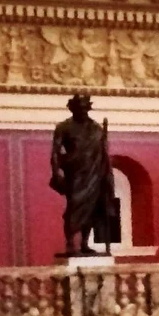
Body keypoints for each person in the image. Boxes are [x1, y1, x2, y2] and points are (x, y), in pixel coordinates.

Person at [49, 92, 120, 259]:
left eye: (84, 107)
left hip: (94, 173)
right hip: (75, 173)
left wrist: (106, 173)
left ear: (88, 108)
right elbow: (55, 152)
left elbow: (102, 152)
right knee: (74, 207)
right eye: (78, 107)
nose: (82, 110)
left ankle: (85, 243)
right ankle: (70, 243)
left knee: (92, 209)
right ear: (72, 108)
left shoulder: (96, 128)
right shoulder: (64, 127)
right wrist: (55, 172)